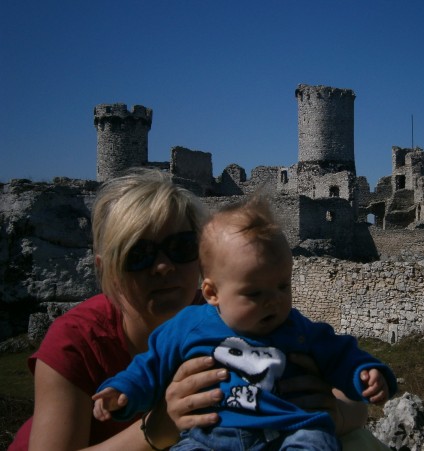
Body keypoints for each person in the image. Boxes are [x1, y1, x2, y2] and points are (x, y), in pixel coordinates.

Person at [8, 169, 388, 451]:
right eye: (138, 255)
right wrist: (158, 428)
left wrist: (330, 412)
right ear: (105, 268)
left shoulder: (233, 311)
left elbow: (351, 404)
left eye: (181, 247)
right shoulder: (76, 342)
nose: (163, 267)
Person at [93, 196, 397, 450]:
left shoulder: (299, 328)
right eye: (254, 293)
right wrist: (124, 392)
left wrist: (365, 374)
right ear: (212, 293)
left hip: (290, 430)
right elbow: (150, 365)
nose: (274, 301)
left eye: (283, 286)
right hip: (211, 436)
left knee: (316, 441)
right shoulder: (189, 326)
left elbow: (341, 353)